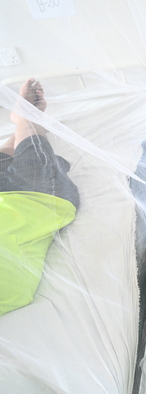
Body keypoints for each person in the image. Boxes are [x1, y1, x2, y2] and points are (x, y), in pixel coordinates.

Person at [0, 78, 79, 315]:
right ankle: (25, 120)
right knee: (34, 156)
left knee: (20, 155)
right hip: (34, 203)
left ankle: (25, 121)